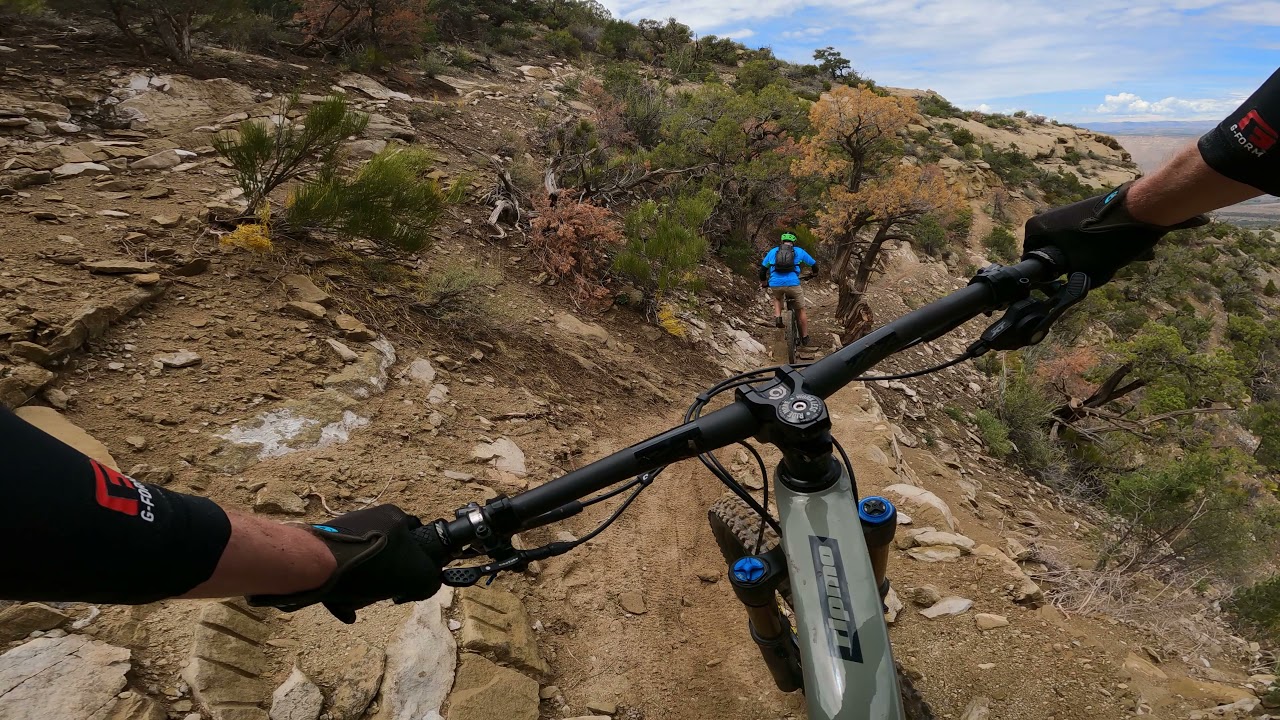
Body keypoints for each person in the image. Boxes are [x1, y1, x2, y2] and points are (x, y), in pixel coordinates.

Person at [0, 67, 1276, 623]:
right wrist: (1122, 219)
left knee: (791, 336)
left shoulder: (796, 254)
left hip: (800, 299)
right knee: (792, 338)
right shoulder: (786, 256)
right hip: (798, 299)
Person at [760, 232, 818, 346]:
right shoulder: (799, 251)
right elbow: (814, 265)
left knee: (777, 298)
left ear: (782, 241)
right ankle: (805, 337)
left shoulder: (773, 251)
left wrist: (764, 283)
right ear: (794, 242)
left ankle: (778, 317)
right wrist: (814, 274)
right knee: (801, 310)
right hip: (793, 284)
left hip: (775, 283)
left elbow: (762, 270)